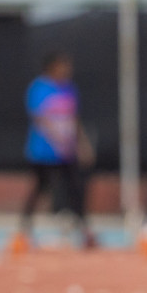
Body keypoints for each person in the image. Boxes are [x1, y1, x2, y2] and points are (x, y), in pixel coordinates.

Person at [21, 53, 95, 246]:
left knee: (76, 188)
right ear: (52, 67)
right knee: (41, 188)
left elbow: (74, 118)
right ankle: (25, 228)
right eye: (63, 66)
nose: (67, 70)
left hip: (67, 152)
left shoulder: (69, 88)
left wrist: (82, 144)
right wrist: (58, 138)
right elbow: (39, 117)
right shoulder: (38, 88)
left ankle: (84, 230)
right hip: (43, 152)